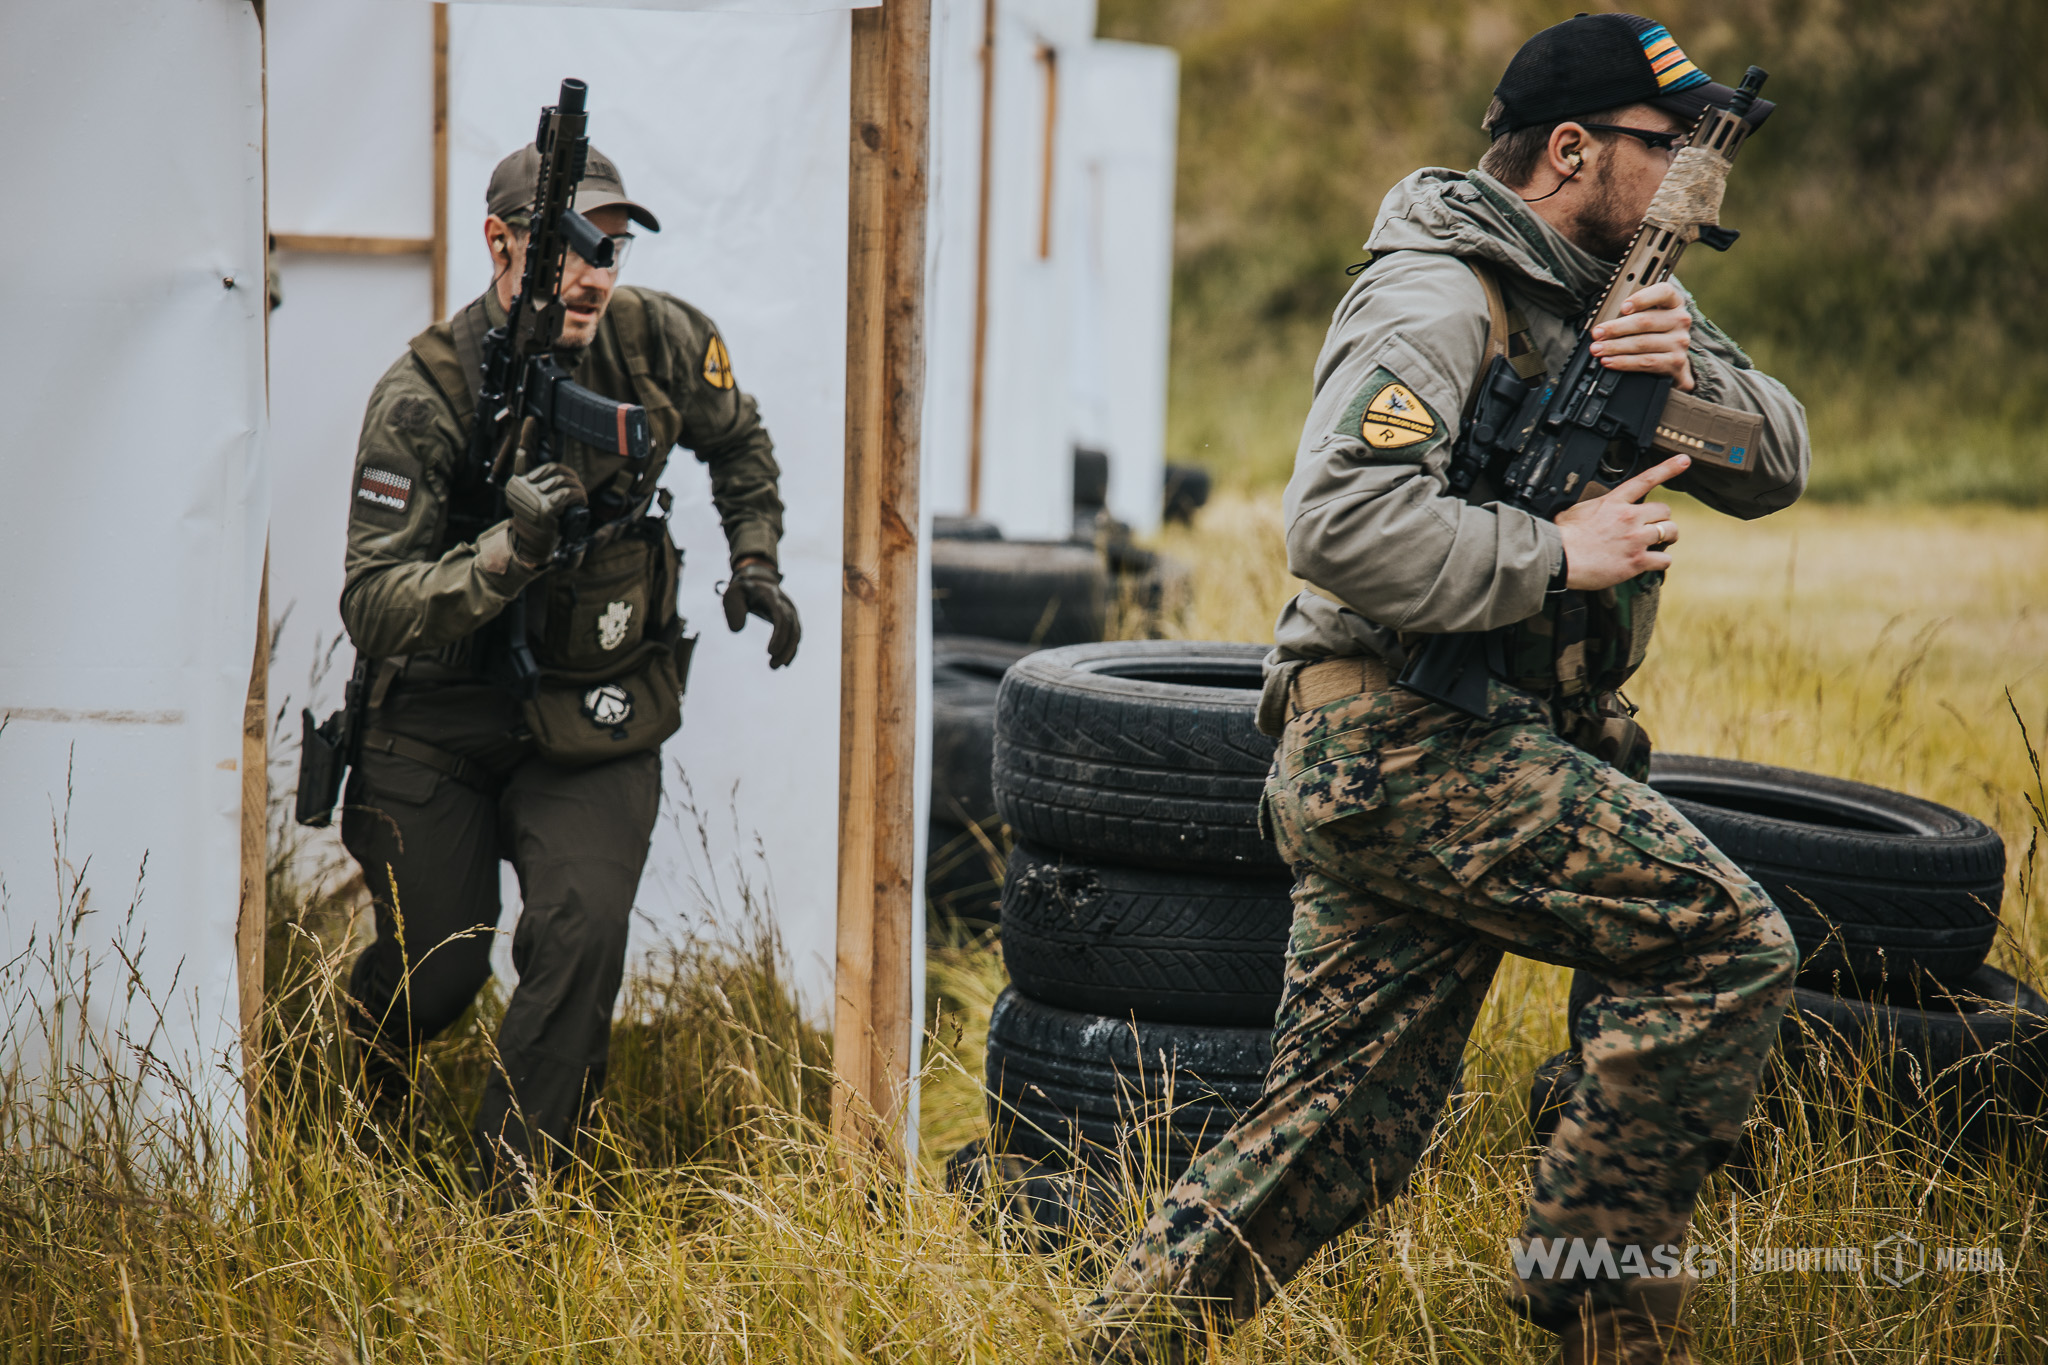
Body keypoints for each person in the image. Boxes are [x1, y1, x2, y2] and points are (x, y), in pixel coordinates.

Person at [1086, 14, 1804, 1364]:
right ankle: (1595, 1300)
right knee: (1726, 944)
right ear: (1572, 149)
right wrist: (1556, 552)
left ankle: (1118, 1346)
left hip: (1465, 745)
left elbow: (1777, 461)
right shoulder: (1438, 292)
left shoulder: (1620, 294)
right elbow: (1338, 521)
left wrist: (1681, 375)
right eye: (1669, 149)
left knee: (1339, 1141)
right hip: (1398, 738)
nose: (1699, 188)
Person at [337, 141, 801, 1198]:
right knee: (436, 976)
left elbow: (741, 442)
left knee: (581, 935)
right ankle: (353, 1117)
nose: (595, 274)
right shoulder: (425, 392)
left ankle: (514, 1204)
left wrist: (757, 560)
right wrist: (507, 554)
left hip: (592, 708)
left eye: (613, 247)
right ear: (500, 246)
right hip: (437, 722)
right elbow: (371, 599)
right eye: (568, 250)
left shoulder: (657, 341)